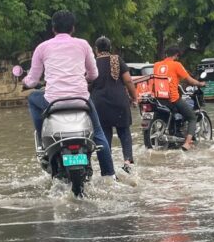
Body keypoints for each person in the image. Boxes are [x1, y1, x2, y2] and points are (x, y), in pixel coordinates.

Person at [23, 10, 116, 179]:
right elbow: (93, 74)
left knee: (32, 98)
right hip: (81, 100)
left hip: (53, 101)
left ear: (53, 28)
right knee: (99, 134)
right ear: (73, 28)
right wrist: (84, 78)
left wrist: (25, 82)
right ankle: (110, 176)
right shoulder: (83, 44)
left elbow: (32, 79)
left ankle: (44, 141)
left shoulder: (42, 48)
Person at [90, 36, 138, 173]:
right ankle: (127, 161)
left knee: (104, 134)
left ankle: (108, 165)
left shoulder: (93, 63)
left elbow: (87, 84)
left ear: (96, 49)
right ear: (109, 48)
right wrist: (135, 97)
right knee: (124, 132)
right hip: (119, 101)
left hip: (99, 104)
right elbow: (128, 81)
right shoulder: (117, 60)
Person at [151, 46, 203, 150]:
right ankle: (188, 143)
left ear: (166, 54)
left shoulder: (156, 65)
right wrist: (200, 83)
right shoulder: (176, 65)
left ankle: (176, 132)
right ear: (176, 55)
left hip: (158, 99)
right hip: (172, 99)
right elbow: (189, 80)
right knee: (192, 117)